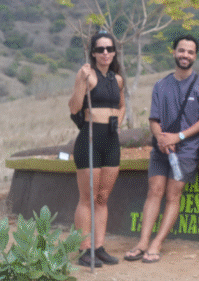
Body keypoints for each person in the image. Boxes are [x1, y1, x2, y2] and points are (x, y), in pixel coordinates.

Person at [124, 35, 199, 264]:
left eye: (190, 52)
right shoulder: (161, 85)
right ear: (174, 52)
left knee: (173, 195)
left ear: (195, 56)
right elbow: (153, 119)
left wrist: (179, 136)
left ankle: (157, 243)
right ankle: (143, 241)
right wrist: (162, 139)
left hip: (187, 150)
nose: (185, 55)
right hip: (161, 149)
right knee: (154, 191)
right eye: (181, 50)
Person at [68, 31, 125, 267]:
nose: (105, 53)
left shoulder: (117, 79)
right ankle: (84, 249)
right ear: (93, 52)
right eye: (100, 49)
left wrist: (118, 121)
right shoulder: (87, 75)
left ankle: (99, 247)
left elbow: (121, 106)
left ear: (114, 51)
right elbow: (73, 108)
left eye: (109, 49)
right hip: (90, 138)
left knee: (102, 198)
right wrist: (81, 82)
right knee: (88, 197)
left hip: (111, 140)